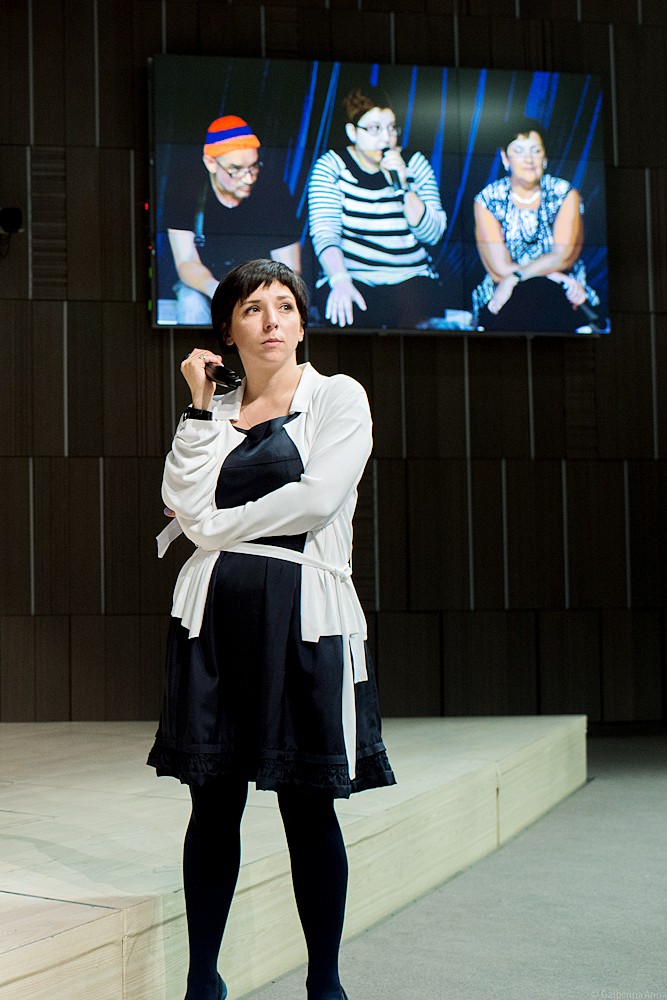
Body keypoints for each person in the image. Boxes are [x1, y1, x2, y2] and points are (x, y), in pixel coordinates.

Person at [148, 258, 396, 1000]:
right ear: (227, 329)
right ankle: (202, 980)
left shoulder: (337, 396)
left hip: (304, 620)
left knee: (307, 805)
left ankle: (325, 985)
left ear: (301, 321)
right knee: (211, 805)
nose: (271, 321)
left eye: (284, 306)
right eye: (252, 309)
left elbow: (316, 500)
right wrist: (198, 408)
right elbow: (178, 494)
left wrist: (213, 526)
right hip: (214, 622)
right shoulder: (214, 411)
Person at [308, 86, 447, 329]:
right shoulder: (332, 166)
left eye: (391, 128)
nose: (386, 139)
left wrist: (403, 186)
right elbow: (325, 233)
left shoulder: (414, 163)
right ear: (352, 132)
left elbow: (433, 235)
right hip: (353, 274)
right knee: (346, 315)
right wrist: (340, 280)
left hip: (410, 275)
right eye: (374, 129)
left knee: (416, 322)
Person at [165, 116, 302, 325]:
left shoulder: (273, 191)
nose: (248, 178)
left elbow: (290, 268)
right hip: (206, 285)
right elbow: (186, 261)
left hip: (261, 288)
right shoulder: (186, 189)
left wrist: (259, 297)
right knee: (191, 303)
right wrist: (218, 290)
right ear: (211, 163)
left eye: (254, 167)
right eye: (236, 169)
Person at [472, 116, 601, 332]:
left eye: (536, 151)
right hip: (505, 290)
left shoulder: (564, 193)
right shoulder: (488, 199)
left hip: (563, 293)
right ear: (505, 158)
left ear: (545, 158)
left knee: (544, 300)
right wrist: (552, 275)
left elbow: (562, 256)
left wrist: (519, 276)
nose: (528, 159)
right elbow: (499, 269)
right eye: (519, 151)